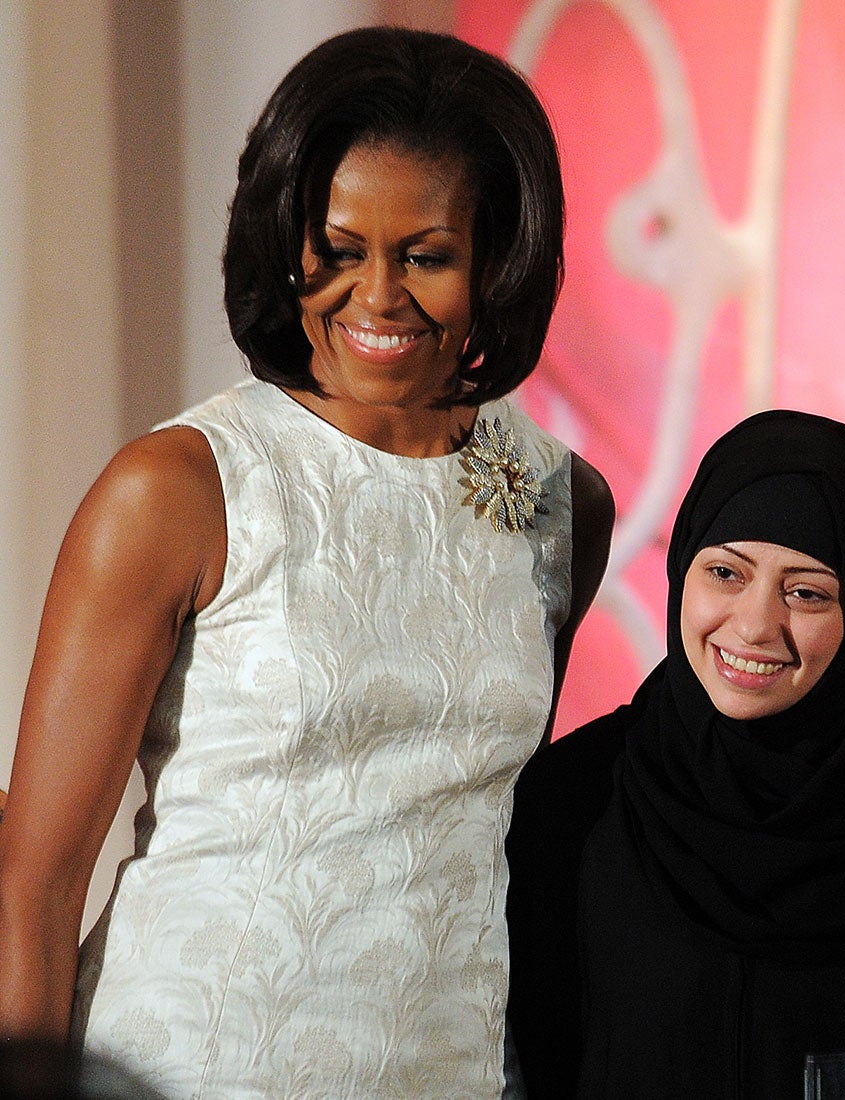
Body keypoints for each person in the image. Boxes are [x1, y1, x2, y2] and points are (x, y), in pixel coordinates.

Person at [0, 27, 613, 1099]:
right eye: (336, 248)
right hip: (184, 1068)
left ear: (500, 259)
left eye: (425, 254)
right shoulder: (176, 489)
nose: (374, 297)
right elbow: (36, 880)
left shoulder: (566, 504)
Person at [505, 410, 845, 1099]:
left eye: (806, 592)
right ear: (684, 570)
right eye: (727, 573)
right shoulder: (577, 798)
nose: (756, 625)